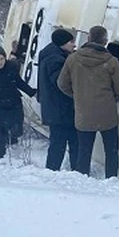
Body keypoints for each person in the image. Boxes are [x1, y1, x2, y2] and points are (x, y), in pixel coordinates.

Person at [58, 25, 119, 177]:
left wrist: (78, 95)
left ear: (88, 38)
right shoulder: (112, 61)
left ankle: (83, 180)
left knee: (84, 151)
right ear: (105, 41)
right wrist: (112, 97)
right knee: (111, 151)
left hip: (83, 112)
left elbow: (62, 84)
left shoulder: (73, 59)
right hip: (107, 113)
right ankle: (111, 180)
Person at [0, 43, 36, 159]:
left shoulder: (11, 68)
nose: (0, 62)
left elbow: (19, 83)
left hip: (13, 105)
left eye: (2, 59)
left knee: (17, 130)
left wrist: (32, 92)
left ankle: (13, 147)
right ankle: (0, 159)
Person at [37, 29, 78, 171]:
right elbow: (61, 83)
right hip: (61, 108)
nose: (74, 45)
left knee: (57, 143)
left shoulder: (49, 54)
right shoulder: (56, 60)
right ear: (62, 43)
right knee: (66, 142)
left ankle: (52, 170)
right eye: (71, 42)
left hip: (54, 107)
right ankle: (58, 171)